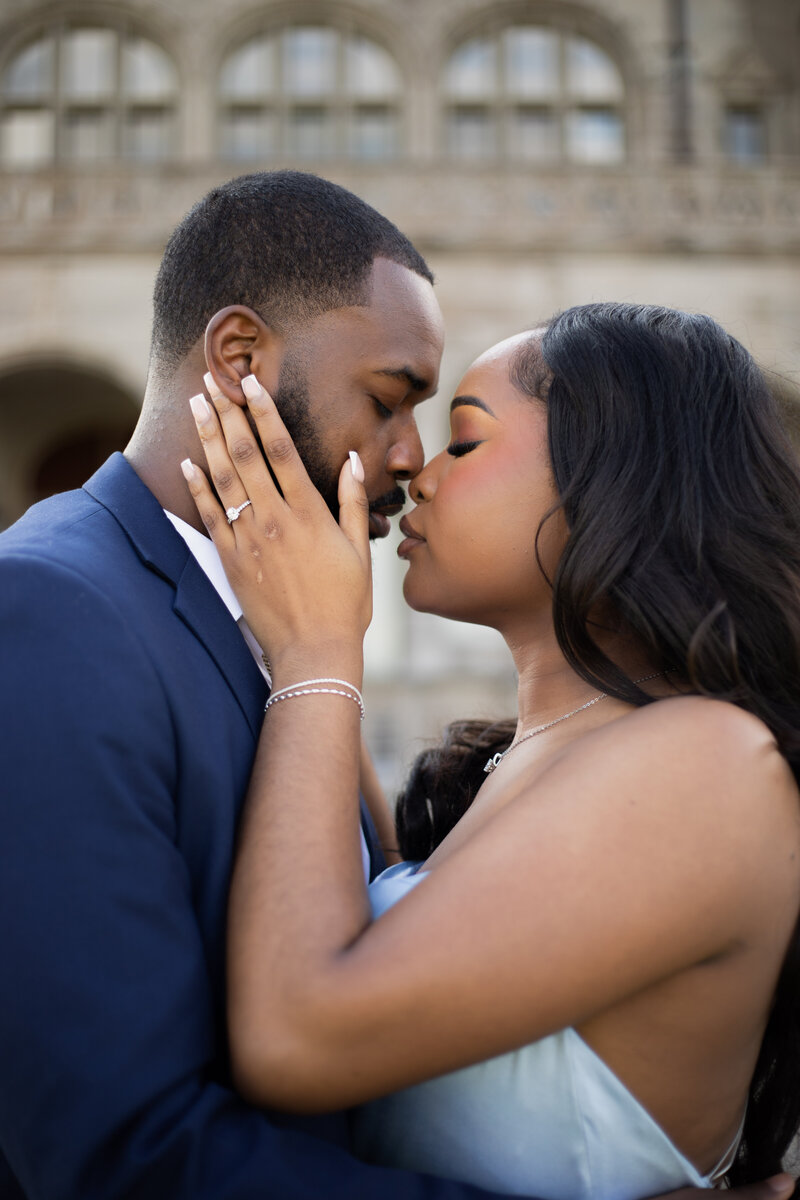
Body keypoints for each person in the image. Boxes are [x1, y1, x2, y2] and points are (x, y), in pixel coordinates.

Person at [180, 302, 800, 1199]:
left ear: (614, 481)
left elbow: (297, 1037)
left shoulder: (711, 763)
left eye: (463, 444)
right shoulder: (532, 758)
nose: (416, 475)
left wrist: (321, 655)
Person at [0, 168, 526, 1200]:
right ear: (238, 357)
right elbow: (128, 1155)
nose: (411, 455)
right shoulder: (47, 615)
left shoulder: (285, 622)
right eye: (386, 400)